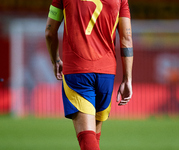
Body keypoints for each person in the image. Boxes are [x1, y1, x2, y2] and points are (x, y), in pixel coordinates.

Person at [45, 0, 133, 149]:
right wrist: (127, 79)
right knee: (93, 140)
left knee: (87, 141)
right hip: (107, 74)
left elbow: (49, 33)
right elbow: (127, 37)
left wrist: (56, 60)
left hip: (78, 70)